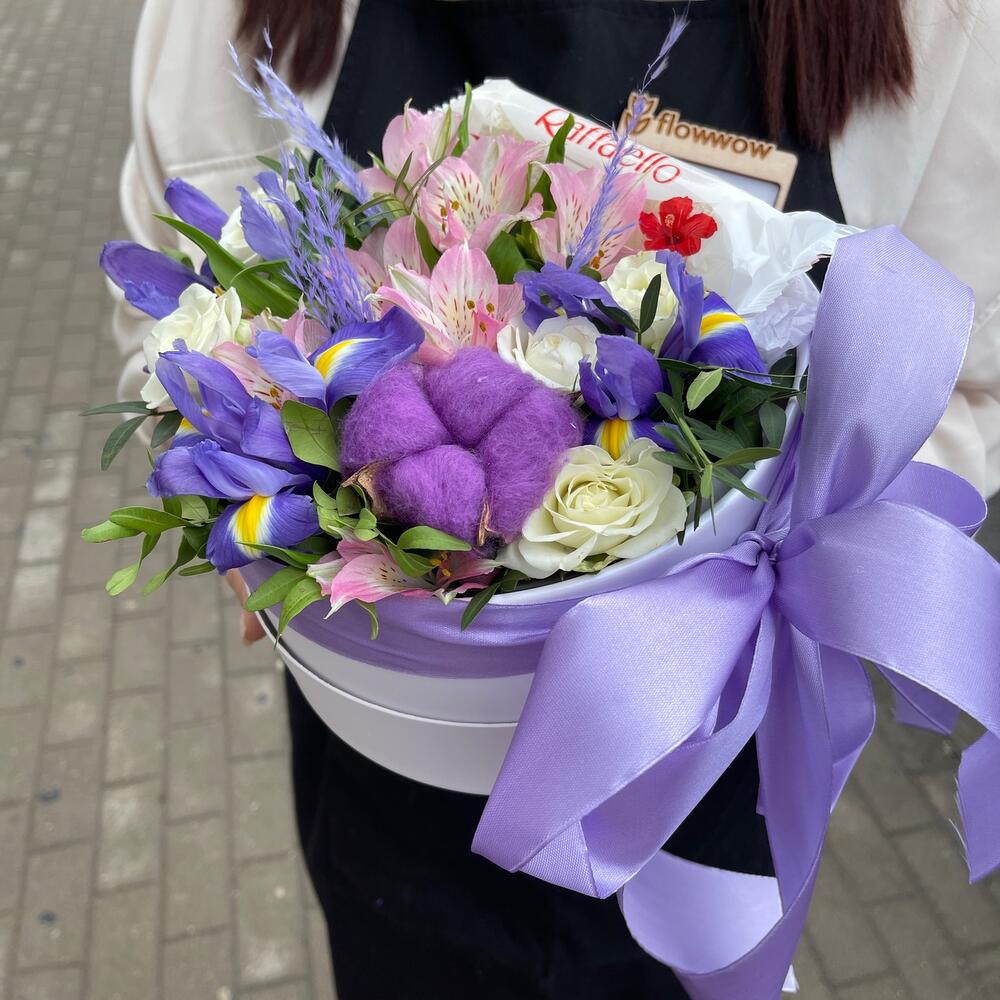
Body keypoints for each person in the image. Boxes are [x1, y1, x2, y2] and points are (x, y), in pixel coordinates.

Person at [115, 1, 1000, 996]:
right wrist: (245, 524)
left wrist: (799, 543)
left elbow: (969, 377)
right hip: (394, 767)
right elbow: (169, 318)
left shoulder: (944, 24)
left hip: (696, 773)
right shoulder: (225, 18)